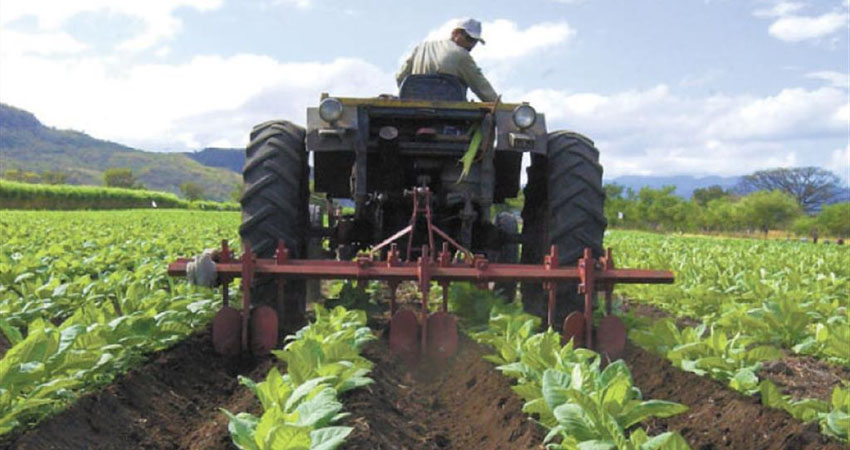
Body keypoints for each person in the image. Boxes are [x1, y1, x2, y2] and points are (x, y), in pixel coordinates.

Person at [396, 18, 498, 102]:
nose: (471, 45)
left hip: (414, 116)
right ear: (455, 33)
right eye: (469, 38)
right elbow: (482, 88)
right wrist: (502, 109)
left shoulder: (421, 48)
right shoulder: (462, 55)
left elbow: (400, 77)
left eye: (475, 41)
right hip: (449, 117)